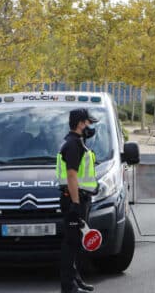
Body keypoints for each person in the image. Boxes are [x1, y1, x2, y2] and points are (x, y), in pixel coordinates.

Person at [56, 108, 99, 293]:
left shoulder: (75, 142)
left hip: (79, 197)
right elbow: (72, 175)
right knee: (71, 243)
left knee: (76, 243)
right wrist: (75, 204)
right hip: (74, 199)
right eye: (88, 122)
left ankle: (76, 280)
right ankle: (68, 286)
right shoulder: (74, 145)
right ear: (81, 123)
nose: (90, 126)